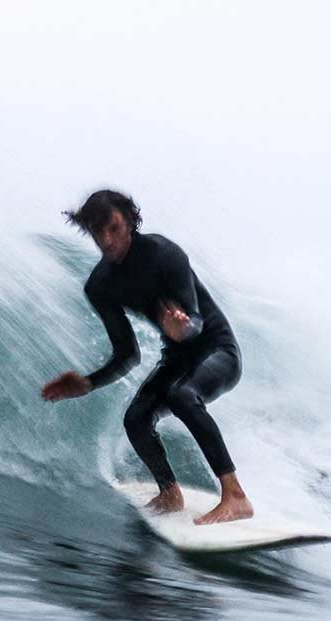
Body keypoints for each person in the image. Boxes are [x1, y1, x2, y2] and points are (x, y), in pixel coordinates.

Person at [40, 189, 253, 525]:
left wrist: (182, 329)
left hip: (217, 349)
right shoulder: (100, 286)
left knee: (182, 395)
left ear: (130, 221)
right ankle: (170, 493)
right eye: (97, 232)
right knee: (136, 419)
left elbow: (196, 321)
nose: (106, 240)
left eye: (113, 228)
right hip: (177, 358)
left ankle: (236, 496)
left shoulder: (164, 254)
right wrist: (88, 383)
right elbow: (127, 354)